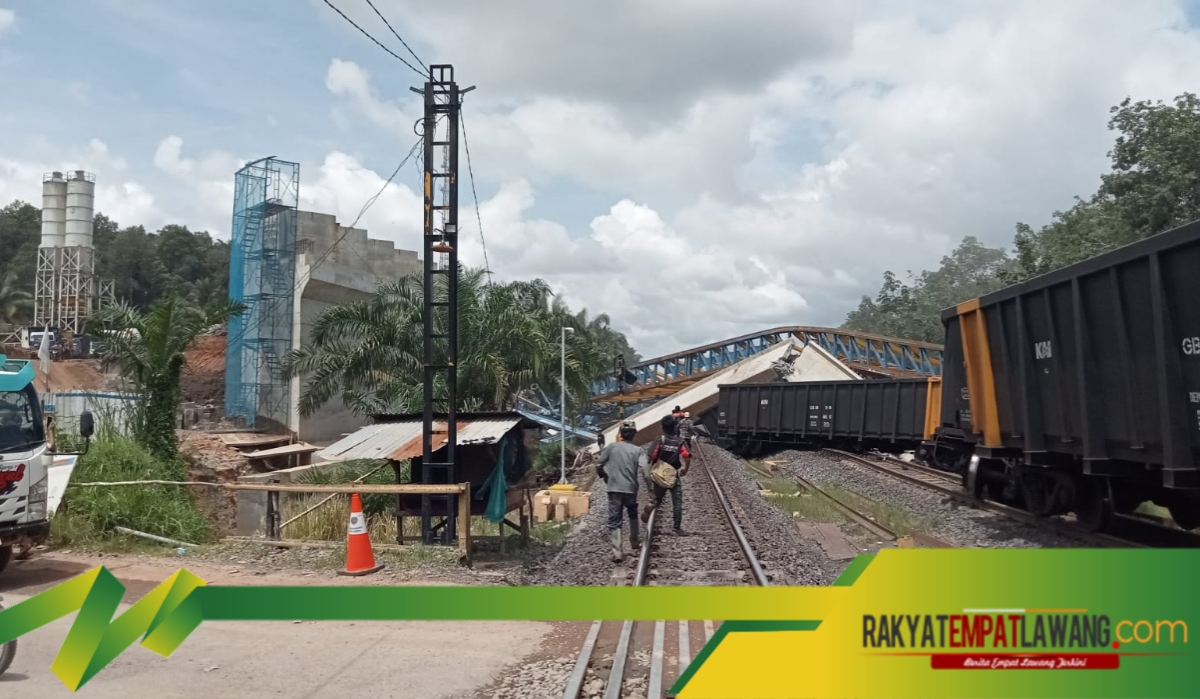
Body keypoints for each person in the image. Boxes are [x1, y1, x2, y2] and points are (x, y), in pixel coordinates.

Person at [595, 421, 647, 562]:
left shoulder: (612, 447)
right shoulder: (638, 451)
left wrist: (605, 476)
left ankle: (617, 552)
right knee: (632, 512)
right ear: (634, 434)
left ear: (620, 434)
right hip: (631, 489)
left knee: (615, 519)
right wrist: (650, 490)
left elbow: (599, 464)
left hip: (614, 489)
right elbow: (646, 471)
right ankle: (634, 541)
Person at [641, 415, 691, 535]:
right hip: (673, 476)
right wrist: (685, 470)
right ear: (675, 427)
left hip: (659, 476)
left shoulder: (660, 440)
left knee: (656, 499)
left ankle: (649, 510)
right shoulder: (680, 442)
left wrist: (652, 465)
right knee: (677, 503)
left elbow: (651, 456)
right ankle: (676, 528)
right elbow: (687, 457)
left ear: (662, 427)